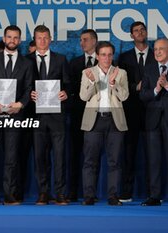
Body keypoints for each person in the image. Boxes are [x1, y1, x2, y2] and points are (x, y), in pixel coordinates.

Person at [0, 25, 33, 205]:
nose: (12, 40)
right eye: (9, 37)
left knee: (12, 156)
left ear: (20, 40)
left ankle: (10, 193)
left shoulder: (27, 63)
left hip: (14, 115)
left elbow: (28, 88)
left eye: (16, 37)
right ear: (4, 39)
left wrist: (21, 104)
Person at [80, 41, 129, 206]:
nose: (106, 58)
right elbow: (83, 96)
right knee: (90, 161)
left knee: (114, 161)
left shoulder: (120, 73)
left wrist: (114, 84)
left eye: (109, 54)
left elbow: (124, 96)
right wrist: (93, 82)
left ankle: (113, 196)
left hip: (115, 121)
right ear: (97, 56)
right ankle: (89, 196)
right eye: (103, 54)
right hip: (94, 121)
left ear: (113, 56)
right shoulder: (87, 72)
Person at [28, 25, 70, 205]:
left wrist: (66, 92)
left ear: (51, 39)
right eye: (39, 38)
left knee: (60, 156)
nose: (43, 41)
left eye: (46, 38)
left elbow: (68, 82)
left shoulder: (61, 59)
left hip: (57, 116)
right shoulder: (26, 60)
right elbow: (22, 86)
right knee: (39, 156)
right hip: (36, 116)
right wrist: (29, 93)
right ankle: (43, 192)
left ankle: (60, 193)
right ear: (35, 39)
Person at [117, 21, 155, 202]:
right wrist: (135, 86)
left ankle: (152, 192)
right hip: (131, 111)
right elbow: (120, 84)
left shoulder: (157, 54)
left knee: (153, 154)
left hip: (153, 111)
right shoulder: (124, 57)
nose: (139, 33)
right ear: (131, 36)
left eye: (142, 30)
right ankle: (127, 191)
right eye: (135, 31)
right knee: (129, 153)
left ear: (146, 32)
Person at [68, 29, 98, 202]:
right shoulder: (75, 63)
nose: (82, 43)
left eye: (85, 39)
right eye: (80, 40)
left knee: (94, 155)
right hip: (78, 115)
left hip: (101, 115)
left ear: (94, 41)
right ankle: (73, 191)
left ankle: (93, 192)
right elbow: (71, 89)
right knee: (75, 153)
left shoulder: (106, 61)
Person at [140, 38, 168, 206]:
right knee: (154, 160)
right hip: (152, 121)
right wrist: (156, 89)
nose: (157, 52)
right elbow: (142, 95)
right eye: (156, 49)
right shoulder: (149, 69)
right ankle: (155, 195)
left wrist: (166, 86)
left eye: (161, 49)